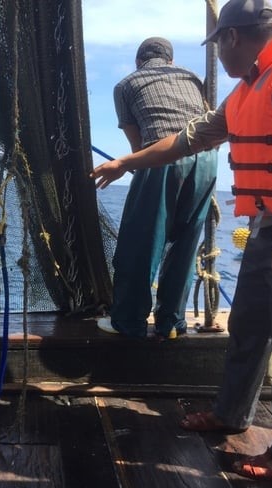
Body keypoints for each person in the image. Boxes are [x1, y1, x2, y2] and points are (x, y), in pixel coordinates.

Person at [91, 0, 272, 480]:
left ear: (231, 37)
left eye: (219, 46)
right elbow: (191, 137)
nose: (219, 58)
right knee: (249, 326)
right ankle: (232, 413)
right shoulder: (246, 90)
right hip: (267, 228)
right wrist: (126, 164)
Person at [96, 36, 217, 341]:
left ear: (138, 62)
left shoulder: (125, 85)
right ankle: (172, 324)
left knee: (140, 243)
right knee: (185, 245)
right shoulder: (191, 77)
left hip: (164, 156)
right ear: (171, 61)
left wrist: (127, 164)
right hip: (206, 161)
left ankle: (128, 322)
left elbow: (138, 147)